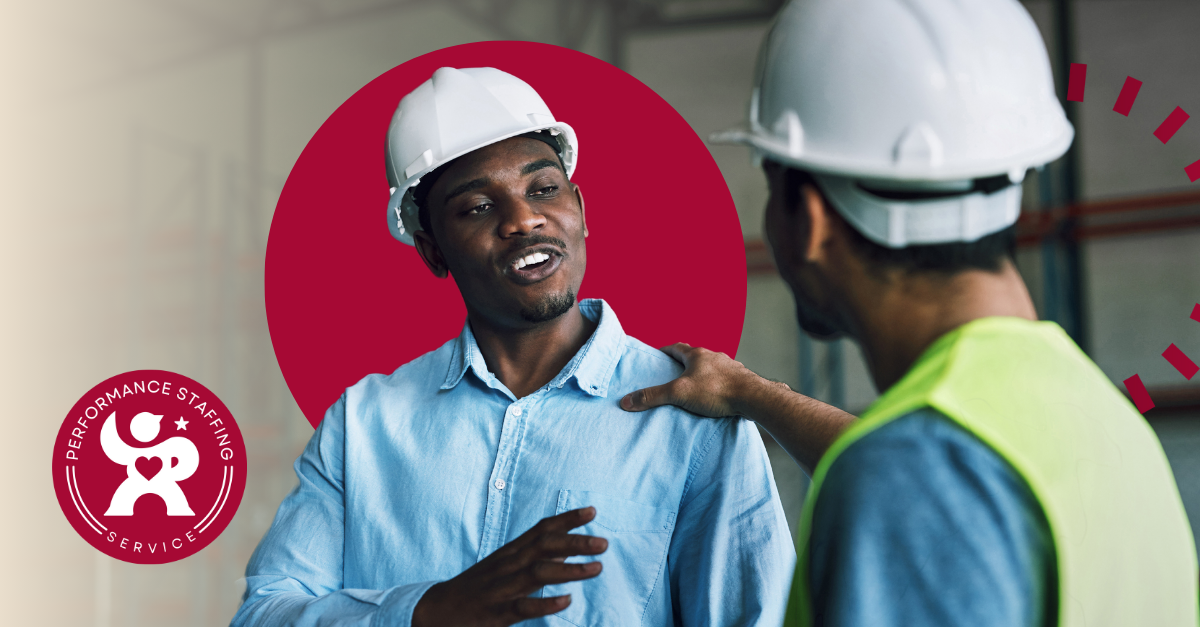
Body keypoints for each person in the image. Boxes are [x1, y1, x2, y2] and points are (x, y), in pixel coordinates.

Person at [621, 1, 1200, 625]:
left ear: (810, 220)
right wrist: (753, 394)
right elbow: (936, 486)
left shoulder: (913, 471)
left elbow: (915, 483)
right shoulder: (1094, 417)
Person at [231, 66, 794, 627]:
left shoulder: (690, 416)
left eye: (543, 189)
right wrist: (427, 612)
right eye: (478, 207)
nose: (523, 220)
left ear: (581, 210)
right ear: (433, 252)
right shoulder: (363, 425)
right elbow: (263, 615)